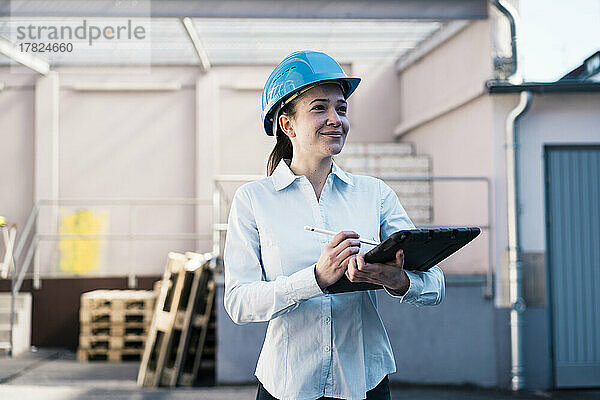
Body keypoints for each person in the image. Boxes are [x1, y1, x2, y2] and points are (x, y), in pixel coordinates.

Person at [224, 50, 445, 400]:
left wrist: (396, 280)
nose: (335, 119)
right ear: (288, 124)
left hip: (365, 383)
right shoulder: (253, 200)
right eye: (319, 108)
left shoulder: (375, 195)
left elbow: (435, 285)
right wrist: (315, 278)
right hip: (287, 385)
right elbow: (238, 302)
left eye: (341, 109)